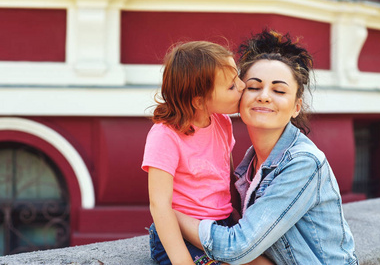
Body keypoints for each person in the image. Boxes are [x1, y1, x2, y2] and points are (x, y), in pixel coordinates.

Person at [175, 30, 359, 265]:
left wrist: (170, 215)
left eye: (279, 91)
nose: (264, 96)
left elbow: (237, 247)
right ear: (239, 96)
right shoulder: (248, 166)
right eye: (253, 87)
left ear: (296, 107)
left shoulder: (303, 162)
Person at [142, 41, 273, 265]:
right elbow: (159, 205)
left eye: (238, 78)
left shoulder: (222, 122)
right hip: (182, 234)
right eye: (232, 86)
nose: (242, 87)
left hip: (220, 228)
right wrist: (182, 261)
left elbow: (225, 174)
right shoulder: (165, 136)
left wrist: (236, 216)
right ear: (199, 100)